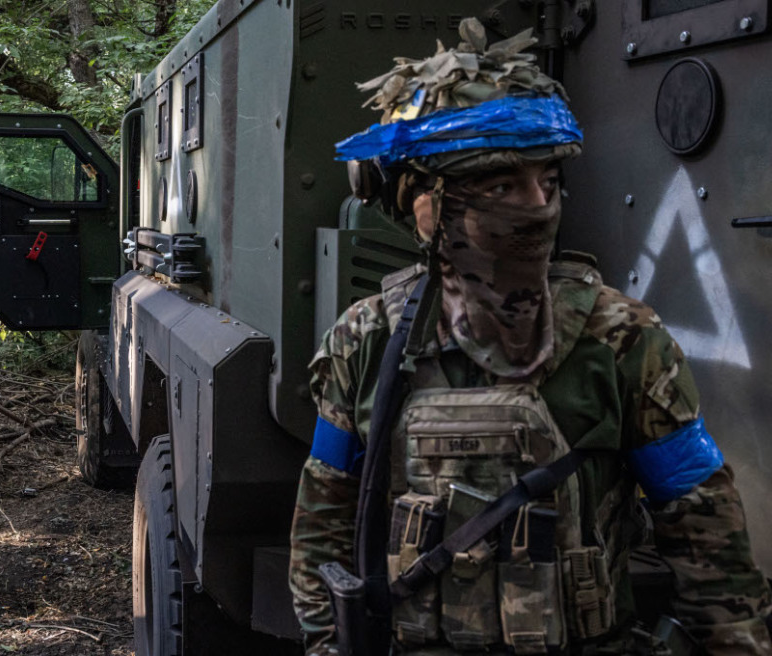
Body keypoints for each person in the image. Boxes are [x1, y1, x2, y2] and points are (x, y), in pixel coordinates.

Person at [289, 19, 771, 656]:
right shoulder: (367, 342)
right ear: (426, 207)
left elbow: (706, 539)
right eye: (501, 187)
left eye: (548, 182)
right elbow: (323, 530)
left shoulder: (622, 339)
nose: (537, 205)